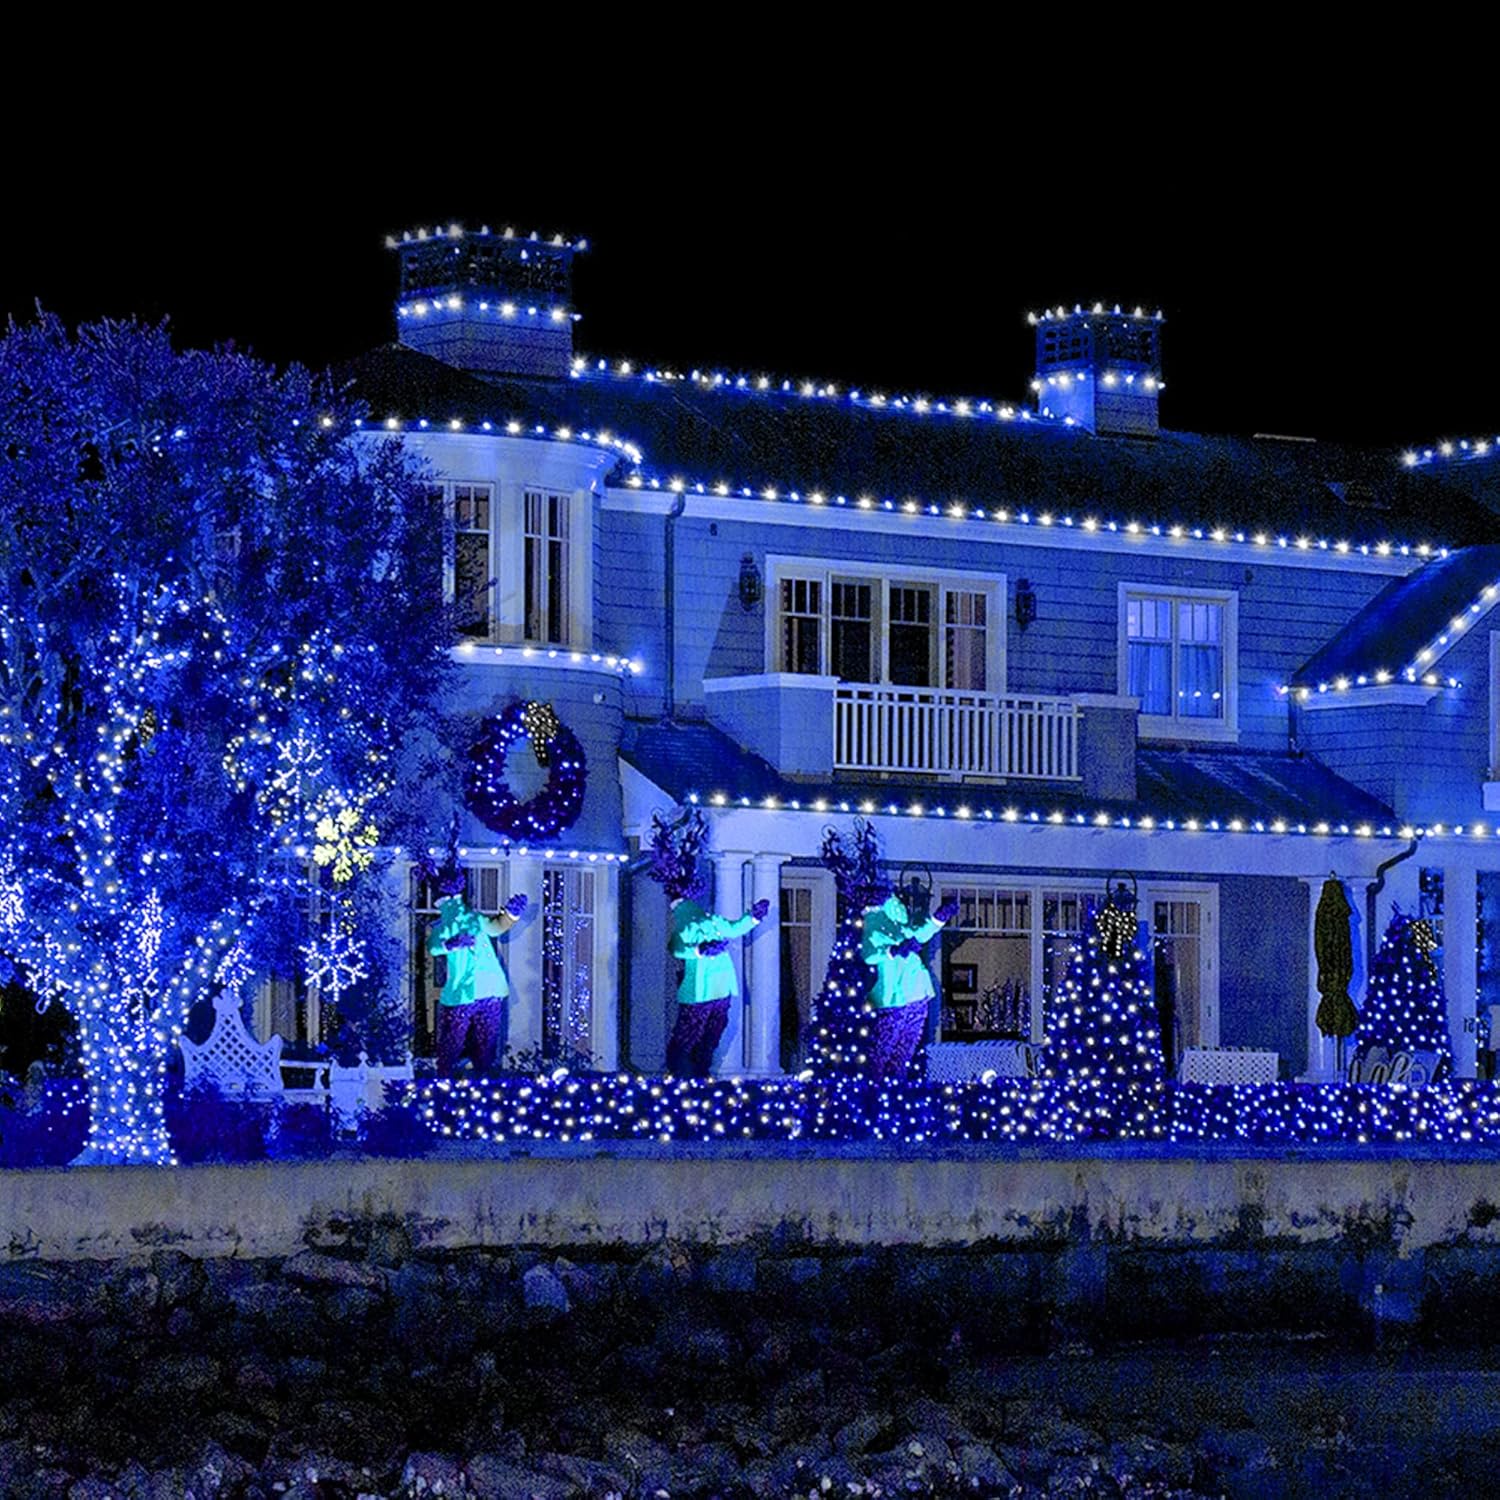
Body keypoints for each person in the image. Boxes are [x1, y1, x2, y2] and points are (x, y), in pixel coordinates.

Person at [427, 871, 528, 1076]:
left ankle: (478, 1081)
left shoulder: (474, 919)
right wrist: (452, 944)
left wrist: (511, 914)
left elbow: (496, 927)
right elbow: (434, 947)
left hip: (487, 989)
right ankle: (447, 1080)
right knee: (454, 1042)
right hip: (464, 993)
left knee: (483, 1044)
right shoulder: (444, 926)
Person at [665, 885, 770, 1076]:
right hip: (700, 992)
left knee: (713, 1033)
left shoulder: (713, 921)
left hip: (721, 988)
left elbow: (734, 928)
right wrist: (700, 950)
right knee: (690, 1034)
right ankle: (682, 1074)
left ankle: (700, 1071)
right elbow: (675, 948)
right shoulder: (686, 927)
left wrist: (753, 917)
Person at [861, 892, 959, 1079]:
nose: (902, 906)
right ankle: (877, 1087)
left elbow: (920, 934)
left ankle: (896, 1084)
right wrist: (894, 951)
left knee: (905, 1050)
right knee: (883, 1050)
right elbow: (869, 954)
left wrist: (938, 919)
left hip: (916, 993)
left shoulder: (899, 926)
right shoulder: (873, 925)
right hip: (892, 997)